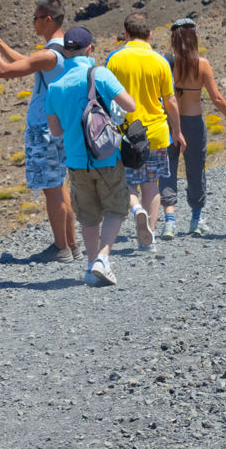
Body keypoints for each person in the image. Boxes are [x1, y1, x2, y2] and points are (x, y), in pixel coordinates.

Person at [0, 0, 78, 263]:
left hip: (43, 128)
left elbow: (4, 71)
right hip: (60, 126)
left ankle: (61, 248)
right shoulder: (62, 49)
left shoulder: (48, 54)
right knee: (59, 185)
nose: (33, 21)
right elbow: (28, 62)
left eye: (35, 17)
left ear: (48, 19)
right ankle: (72, 243)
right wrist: (0, 44)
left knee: (52, 189)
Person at [43, 27, 140, 288]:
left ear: (65, 51)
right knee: (115, 208)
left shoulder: (54, 87)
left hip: (75, 161)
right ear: (90, 49)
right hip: (106, 156)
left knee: (88, 217)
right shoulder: (100, 74)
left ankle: (89, 267)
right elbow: (130, 105)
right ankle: (103, 258)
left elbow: (55, 130)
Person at [105, 12, 181, 247]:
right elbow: (170, 101)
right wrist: (177, 131)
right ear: (149, 34)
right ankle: (147, 239)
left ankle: (135, 208)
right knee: (152, 185)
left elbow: (106, 97)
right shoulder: (160, 61)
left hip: (125, 135)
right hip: (156, 133)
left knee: (127, 185)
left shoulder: (114, 60)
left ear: (126, 34)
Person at [164, 18, 226, 236]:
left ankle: (169, 221)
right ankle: (196, 220)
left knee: (168, 170)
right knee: (196, 170)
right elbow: (216, 97)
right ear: (194, 37)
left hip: (170, 123)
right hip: (194, 122)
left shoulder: (167, 62)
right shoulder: (202, 64)